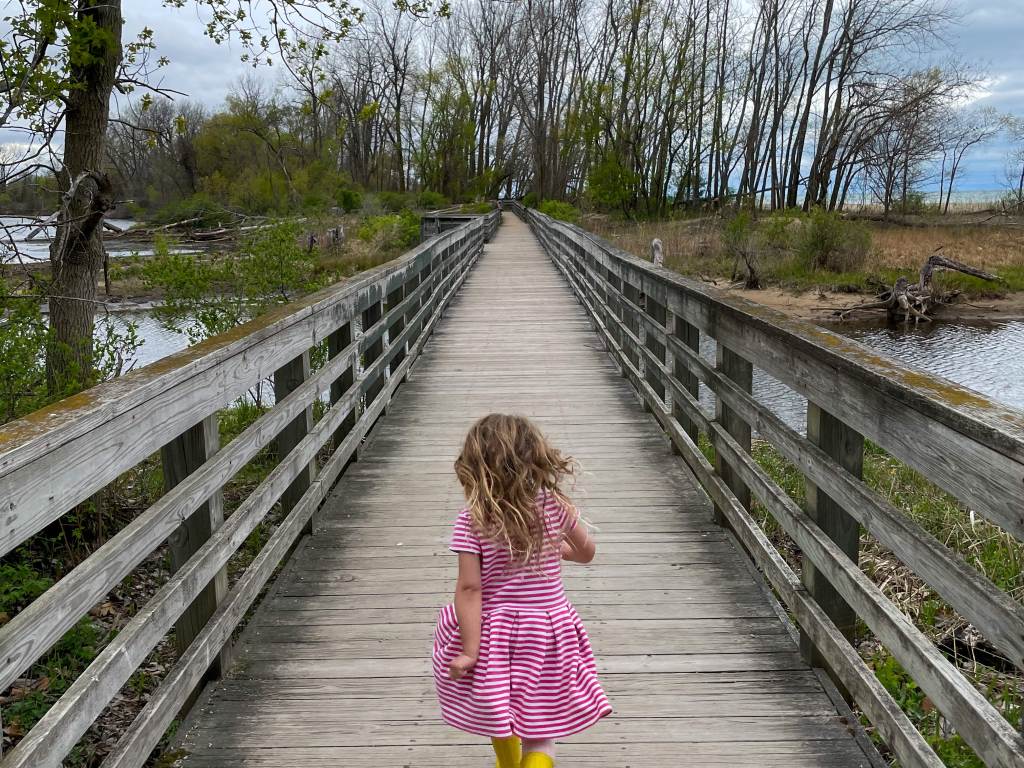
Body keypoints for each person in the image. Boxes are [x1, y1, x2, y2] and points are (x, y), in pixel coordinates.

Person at [432, 414, 612, 768]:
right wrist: (552, 548)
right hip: (547, 631)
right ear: (535, 458)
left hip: (494, 633)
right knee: (541, 729)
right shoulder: (554, 506)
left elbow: (470, 589)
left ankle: (508, 765)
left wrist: (469, 651)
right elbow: (586, 553)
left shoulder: (473, 519)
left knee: (497, 706)